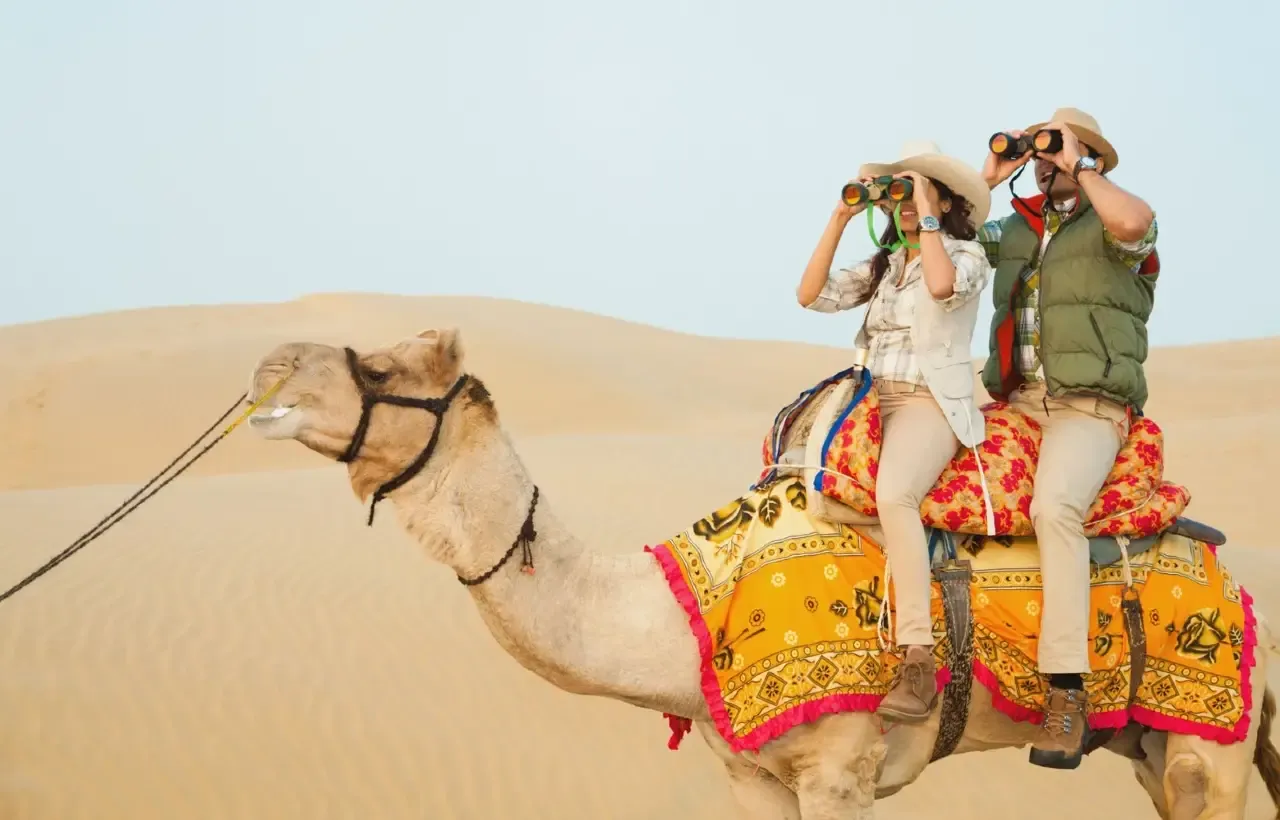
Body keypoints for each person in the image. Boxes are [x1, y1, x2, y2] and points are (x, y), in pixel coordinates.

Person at [977, 107, 1159, 769]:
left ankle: (1066, 688)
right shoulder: (1016, 228)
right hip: (1018, 403)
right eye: (1040, 149)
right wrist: (990, 176)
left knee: (1053, 508)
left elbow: (1134, 224)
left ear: (1091, 158)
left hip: (1090, 406)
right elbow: (947, 244)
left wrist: (1080, 163)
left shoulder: (1116, 225)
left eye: (1056, 148)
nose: (1044, 158)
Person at [797, 140, 993, 724]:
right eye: (897, 192)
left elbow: (940, 287)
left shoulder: (965, 254)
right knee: (798, 474)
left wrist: (926, 211)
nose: (902, 203)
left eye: (914, 189)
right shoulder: (886, 264)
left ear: (945, 199)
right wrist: (841, 216)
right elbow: (810, 295)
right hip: (867, 400)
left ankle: (918, 657)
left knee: (894, 495)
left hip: (928, 401)